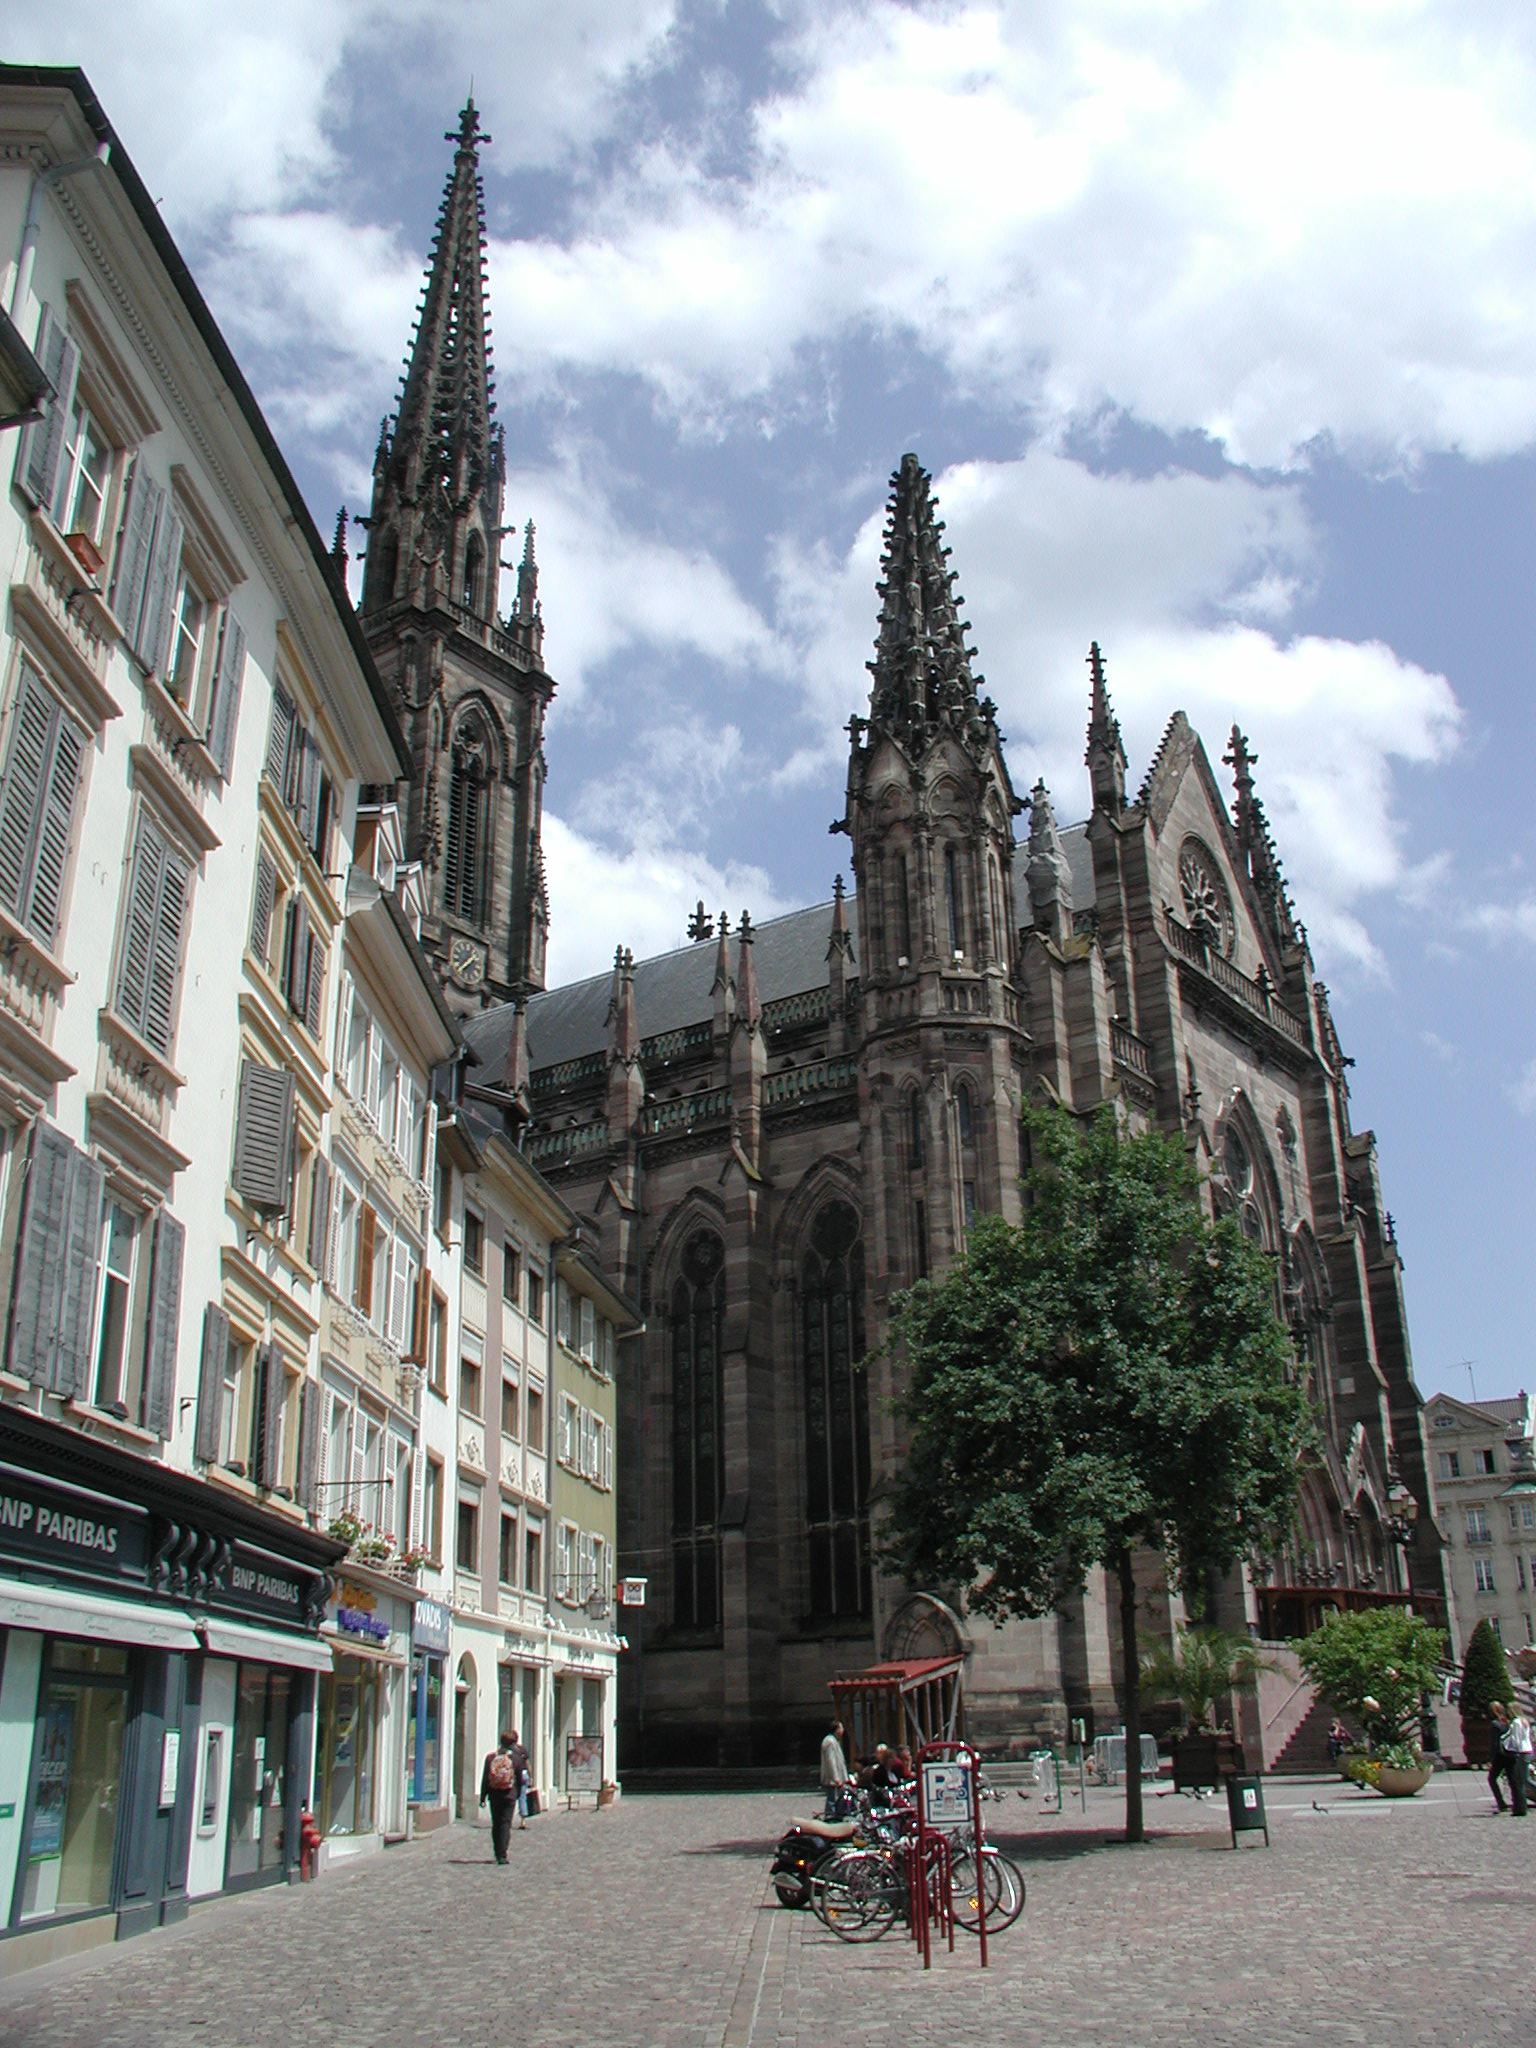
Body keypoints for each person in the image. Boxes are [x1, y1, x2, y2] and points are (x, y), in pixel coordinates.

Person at [480, 1731, 521, 1863]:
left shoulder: (490, 1758)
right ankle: (502, 1853)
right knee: (505, 1823)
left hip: (494, 1794)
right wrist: (518, 1794)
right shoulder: (515, 1758)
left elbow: (485, 1778)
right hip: (509, 1795)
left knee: (496, 1823)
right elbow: (519, 1778)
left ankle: (497, 1851)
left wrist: (483, 1796)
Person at [1502, 1704, 1532, 1817]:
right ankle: (1521, 1806)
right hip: (1528, 1750)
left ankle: (1521, 1807)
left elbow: (1516, 1740)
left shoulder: (1516, 1722)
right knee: (1525, 1779)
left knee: (1520, 1781)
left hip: (1521, 1752)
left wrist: (1511, 1750)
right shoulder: (1524, 1721)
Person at [820, 1718, 851, 1818]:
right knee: (832, 1799)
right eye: (841, 1728)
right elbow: (831, 1761)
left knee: (836, 1798)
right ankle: (830, 1816)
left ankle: (835, 1816)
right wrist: (835, 1777)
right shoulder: (830, 1741)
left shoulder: (834, 1741)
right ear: (836, 1729)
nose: (842, 1730)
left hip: (837, 1777)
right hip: (832, 1778)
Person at [1487, 1701, 1512, 1812]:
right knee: (1512, 1778)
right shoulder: (1508, 1721)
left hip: (1500, 1755)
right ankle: (1517, 1801)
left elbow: (1495, 1743)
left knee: (1492, 1778)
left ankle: (1501, 1803)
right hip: (1511, 1753)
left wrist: (1491, 1759)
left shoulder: (1495, 1724)